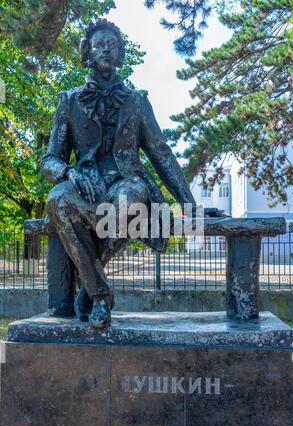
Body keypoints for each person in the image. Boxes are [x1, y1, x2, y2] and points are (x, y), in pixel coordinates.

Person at [41, 19, 195, 329]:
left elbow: (160, 153)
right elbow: (50, 159)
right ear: (87, 55)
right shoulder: (69, 100)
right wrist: (69, 173)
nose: (106, 50)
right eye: (99, 45)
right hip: (85, 185)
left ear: (121, 53)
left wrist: (187, 202)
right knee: (57, 200)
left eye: (112, 45)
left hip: (128, 182)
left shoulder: (137, 101)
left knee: (128, 202)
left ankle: (90, 288)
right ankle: (100, 293)